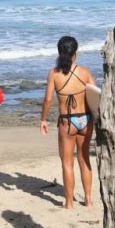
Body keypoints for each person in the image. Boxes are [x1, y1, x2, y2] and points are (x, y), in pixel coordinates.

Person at [40, 36, 96, 209]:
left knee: (67, 163)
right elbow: (96, 96)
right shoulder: (84, 72)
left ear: (59, 52)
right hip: (85, 119)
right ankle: (88, 200)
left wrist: (43, 119)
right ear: (75, 54)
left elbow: (48, 99)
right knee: (84, 158)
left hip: (66, 121)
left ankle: (69, 203)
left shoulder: (54, 74)